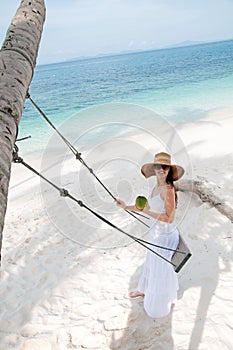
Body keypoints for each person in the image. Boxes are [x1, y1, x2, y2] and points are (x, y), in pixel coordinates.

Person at [116, 152, 185, 318]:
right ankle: (144, 290)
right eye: (158, 166)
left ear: (169, 170)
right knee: (151, 264)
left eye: (165, 167)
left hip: (165, 235)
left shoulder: (168, 189)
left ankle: (158, 303)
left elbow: (169, 218)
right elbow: (145, 208)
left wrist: (148, 212)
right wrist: (126, 207)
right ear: (154, 169)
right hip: (156, 233)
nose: (161, 169)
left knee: (159, 269)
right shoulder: (155, 188)